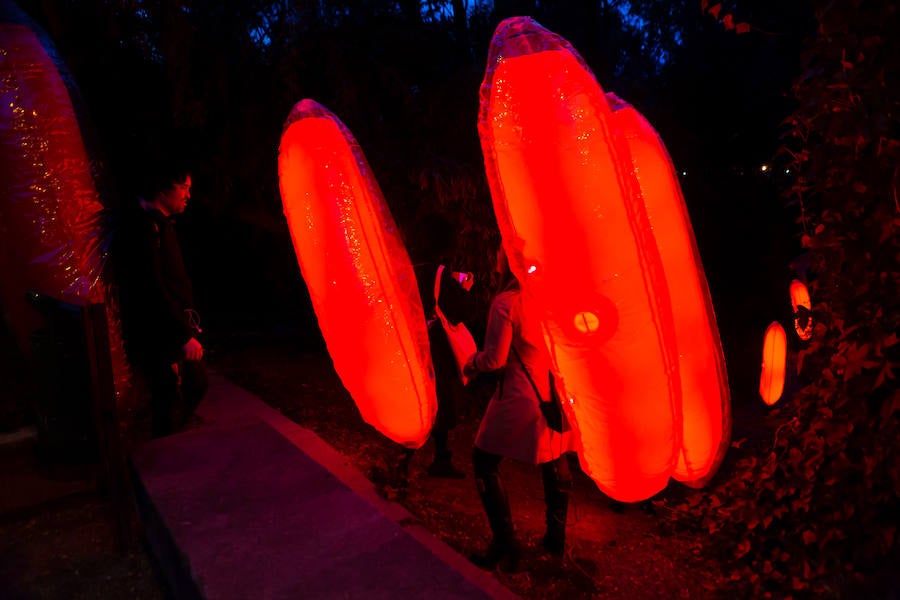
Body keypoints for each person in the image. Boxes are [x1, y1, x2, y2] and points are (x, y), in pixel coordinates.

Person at [463, 247, 576, 571]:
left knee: (483, 460)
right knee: (554, 462)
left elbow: (494, 359)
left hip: (518, 395)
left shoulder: (508, 302)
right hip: (553, 397)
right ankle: (555, 543)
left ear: (506, 264)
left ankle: (505, 543)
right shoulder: (555, 299)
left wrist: (471, 362)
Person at [111, 160, 207, 438]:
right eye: (183, 187)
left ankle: (168, 445)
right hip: (159, 332)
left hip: (170, 327)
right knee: (170, 395)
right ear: (163, 190)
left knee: (185, 388)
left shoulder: (158, 226)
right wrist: (180, 335)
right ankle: (164, 455)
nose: (188, 195)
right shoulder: (144, 228)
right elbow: (150, 287)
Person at [409, 212, 475, 479]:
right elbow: (458, 312)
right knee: (442, 396)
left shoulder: (410, 269)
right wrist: (466, 287)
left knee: (418, 393)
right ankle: (440, 457)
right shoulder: (439, 273)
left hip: (414, 338)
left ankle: (406, 453)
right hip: (437, 343)